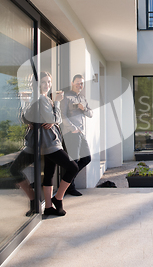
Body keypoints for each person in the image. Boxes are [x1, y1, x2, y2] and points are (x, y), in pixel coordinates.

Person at [22, 71, 78, 216]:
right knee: (73, 167)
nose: (47, 85)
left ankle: (48, 207)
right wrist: (57, 103)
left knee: (49, 173)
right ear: (38, 84)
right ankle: (58, 198)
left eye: (49, 82)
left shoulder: (45, 99)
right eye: (43, 82)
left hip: (49, 141)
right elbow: (56, 118)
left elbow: (47, 118)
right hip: (49, 143)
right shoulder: (42, 99)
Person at [60, 74, 93, 196]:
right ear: (72, 82)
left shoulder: (83, 98)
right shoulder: (66, 97)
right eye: (78, 82)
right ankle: (70, 186)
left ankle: (67, 181)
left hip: (81, 133)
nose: (80, 85)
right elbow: (62, 115)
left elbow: (91, 114)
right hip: (71, 133)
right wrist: (73, 129)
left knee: (87, 158)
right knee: (73, 161)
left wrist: (84, 109)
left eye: (82, 83)